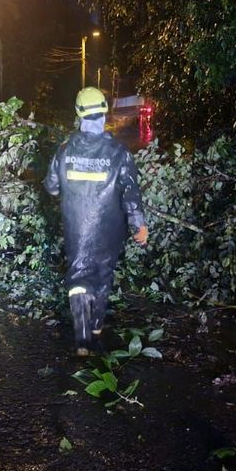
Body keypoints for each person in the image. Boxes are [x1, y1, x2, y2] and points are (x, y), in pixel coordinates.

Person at [44, 87, 148, 356]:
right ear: (104, 113)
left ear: (78, 114)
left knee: (79, 274)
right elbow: (130, 193)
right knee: (102, 277)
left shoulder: (65, 150)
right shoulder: (118, 152)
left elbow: (52, 187)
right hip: (109, 228)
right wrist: (139, 226)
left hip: (76, 226)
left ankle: (81, 340)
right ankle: (97, 330)